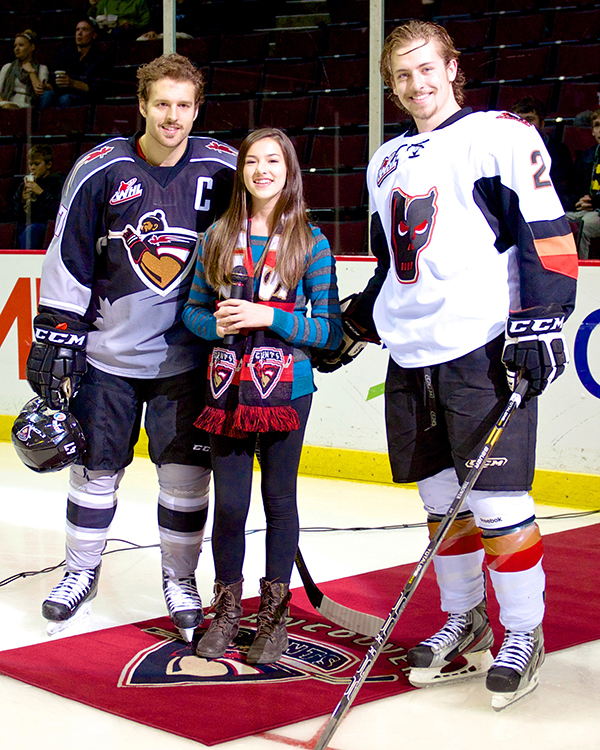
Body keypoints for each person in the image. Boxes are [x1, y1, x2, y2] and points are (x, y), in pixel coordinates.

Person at [318, 20, 577, 710]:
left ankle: (524, 629)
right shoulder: (383, 161)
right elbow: (394, 267)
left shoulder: (500, 136)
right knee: (441, 503)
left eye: (427, 68)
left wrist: (540, 323)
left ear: (452, 67)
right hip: (411, 354)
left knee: (495, 500)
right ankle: (467, 617)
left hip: (480, 344)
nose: (417, 84)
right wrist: (358, 320)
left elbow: (547, 233)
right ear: (390, 84)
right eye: (402, 75)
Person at [26, 53, 237, 641]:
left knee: (186, 479)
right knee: (95, 474)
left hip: (188, 360)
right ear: (141, 105)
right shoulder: (99, 169)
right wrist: (55, 334)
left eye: (184, 105)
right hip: (108, 359)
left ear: (198, 108)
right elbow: (67, 254)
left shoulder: (224, 168)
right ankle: (79, 572)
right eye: (161, 104)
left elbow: (258, 244)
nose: (172, 117)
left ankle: (180, 581)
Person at [182, 128, 342, 664]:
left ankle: (274, 617)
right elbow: (192, 310)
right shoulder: (218, 237)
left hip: (286, 391)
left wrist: (269, 316)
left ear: (289, 170)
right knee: (229, 505)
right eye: (252, 161)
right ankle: (227, 610)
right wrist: (218, 327)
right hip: (227, 389)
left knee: (279, 501)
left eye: (272, 160)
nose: (261, 170)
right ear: (242, 172)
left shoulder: (311, 243)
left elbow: (329, 332)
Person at [511, 96, 574, 212]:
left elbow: (561, 189)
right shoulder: (505, 150)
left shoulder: (558, 151)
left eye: (529, 119)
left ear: (542, 123)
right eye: (518, 119)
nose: (523, 124)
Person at [39, 18, 112, 108]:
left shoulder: (101, 58)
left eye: (84, 30)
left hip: (86, 99)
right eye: (77, 30)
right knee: (47, 95)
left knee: (66, 99)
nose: (79, 33)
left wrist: (73, 83)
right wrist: (48, 86)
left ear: (94, 35)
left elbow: (99, 90)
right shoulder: (65, 54)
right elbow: (54, 78)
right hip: (63, 94)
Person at [12, 144, 63, 249]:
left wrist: (41, 193)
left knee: (31, 230)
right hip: (25, 225)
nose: (32, 168)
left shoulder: (57, 182)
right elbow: (14, 213)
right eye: (30, 164)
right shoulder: (24, 184)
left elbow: (58, 210)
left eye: (37, 164)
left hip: (47, 225)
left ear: (48, 165)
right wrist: (21, 200)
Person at [565, 108, 600, 259]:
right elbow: (575, 187)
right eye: (597, 125)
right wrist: (580, 201)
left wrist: (594, 202)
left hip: (596, 210)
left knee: (585, 224)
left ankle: (582, 271)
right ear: (592, 131)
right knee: (559, 219)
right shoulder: (588, 156)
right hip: (591, 208)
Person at [0, 30, 49, 109]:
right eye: (15, 46)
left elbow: (39, 92)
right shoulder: (7, 67)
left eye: (21, 45)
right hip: (7, 103)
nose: (17, 49)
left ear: (31, 47)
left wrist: (31, 72)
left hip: (28, 105)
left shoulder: (41, 68)